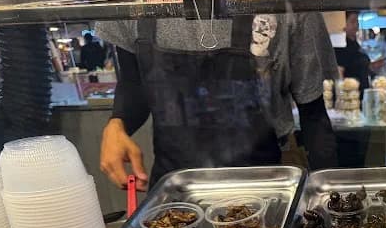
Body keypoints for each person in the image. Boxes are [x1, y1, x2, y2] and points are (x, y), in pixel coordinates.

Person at [97, 13, 338, 191]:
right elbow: (134, 82)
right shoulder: (134, 1)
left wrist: (329, 198)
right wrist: (117, 123)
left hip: (268, 182)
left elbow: (313, 113)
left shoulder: (287, 3)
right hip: (176, 188)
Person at [334, 12, 370, 96]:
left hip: (362, 94)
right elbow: (340, 73)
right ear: (343, 24)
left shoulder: (355, 44)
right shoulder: (340, 45)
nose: (356, 25)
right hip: (351, 96)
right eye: (353, 22)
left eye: (357, 22)